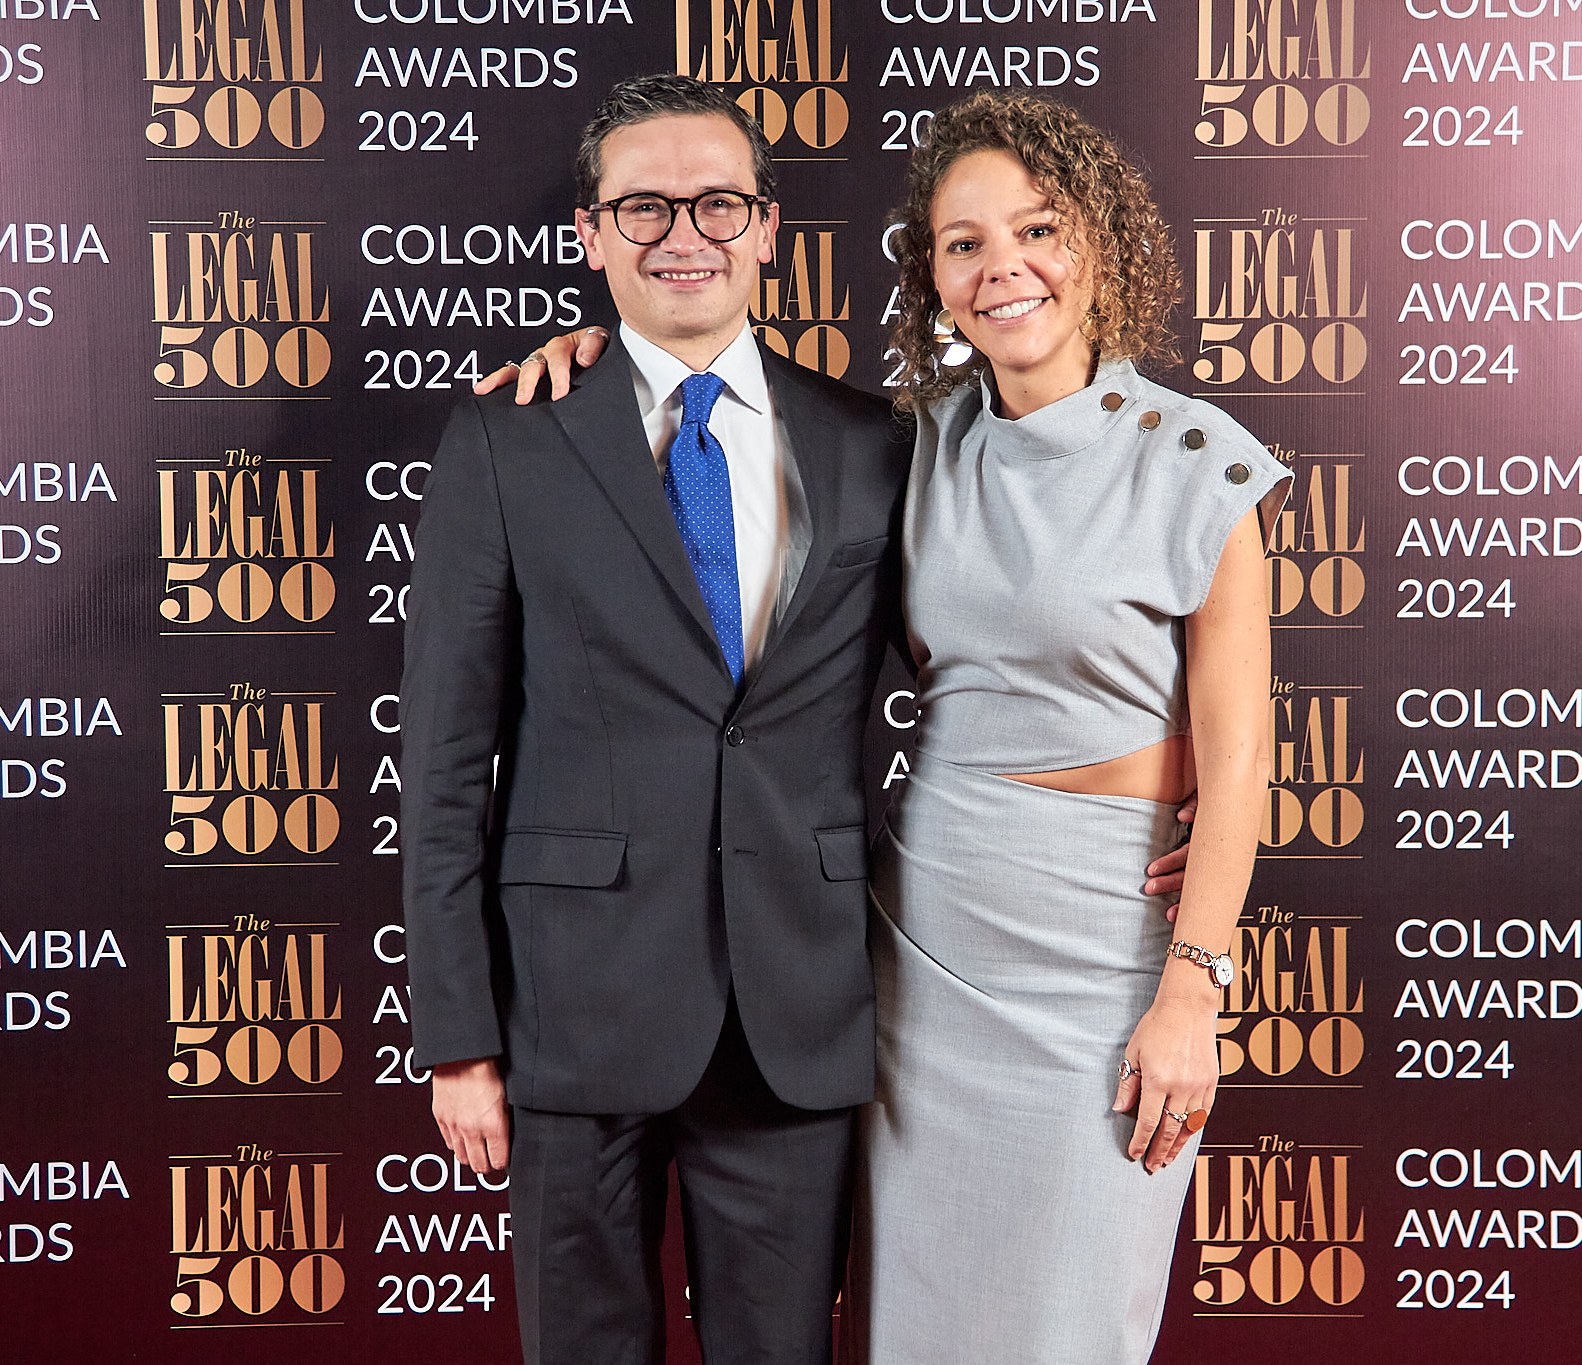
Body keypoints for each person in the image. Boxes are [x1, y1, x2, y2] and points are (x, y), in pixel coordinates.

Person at [481, 89, 1271, 1364]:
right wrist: (595, 365)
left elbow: (1238, 761)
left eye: (1037, 230)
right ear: (931, 278)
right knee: (914, 1318)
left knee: (1075, 1312)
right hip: (923, 941)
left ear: (1099, 242)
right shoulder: (914, 445)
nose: (1002, 268)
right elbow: (704, 441)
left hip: (1098, 943)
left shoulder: (1199, 461)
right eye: (963, 243)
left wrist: (1195, 983)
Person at [400, 74, 910, 1364]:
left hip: (795, 1010)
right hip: (567, 1011)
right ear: (589, 233)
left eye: (717, 203)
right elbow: (444, 761)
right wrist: (458, 1039)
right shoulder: (507, 437)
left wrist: (1163, 780)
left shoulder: (873, 443)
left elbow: (995, 654)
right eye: (643, 207)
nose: (683, 233)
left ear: (767, 227)